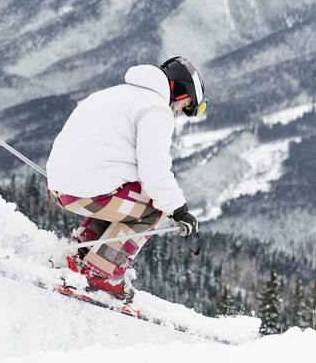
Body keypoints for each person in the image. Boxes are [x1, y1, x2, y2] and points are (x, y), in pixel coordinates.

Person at [46, 56, 207, 302]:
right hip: (86, 193)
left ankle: (80, 253)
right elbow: (155, 171)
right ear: (179, 91)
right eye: (186, 105)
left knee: (126, 197)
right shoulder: (155, 109)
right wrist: (179, 210)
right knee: (155, 207)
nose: (180, 112)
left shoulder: (115, 93)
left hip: (59, 186)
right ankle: (101, 273)